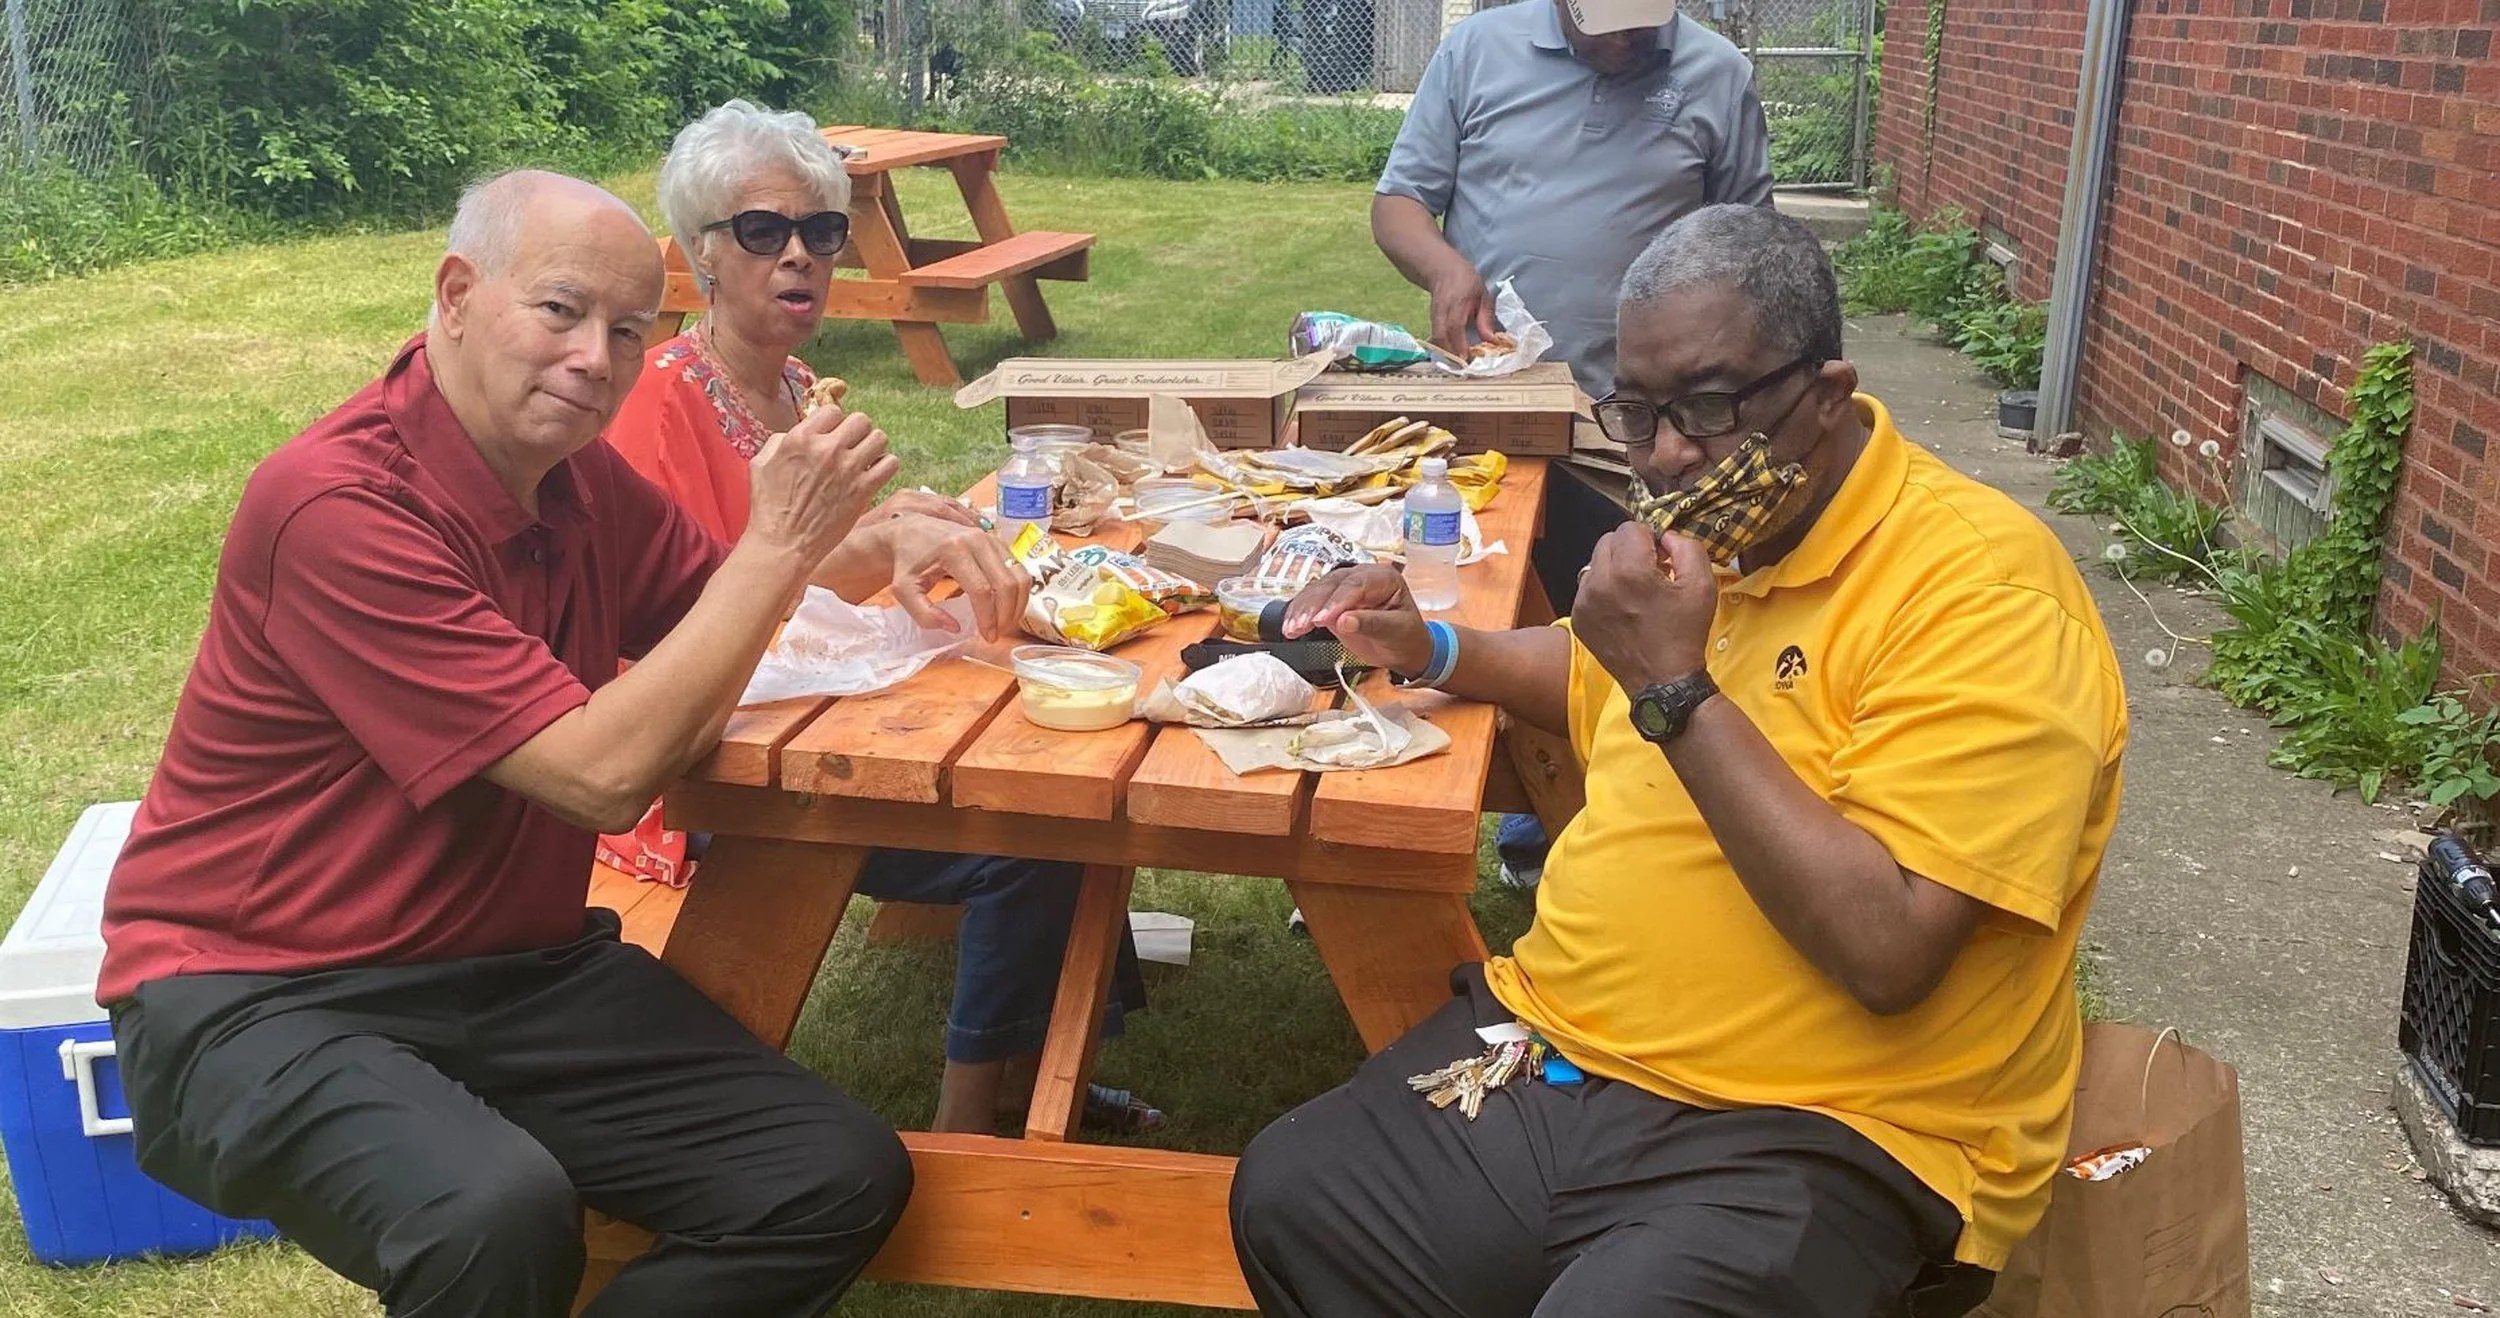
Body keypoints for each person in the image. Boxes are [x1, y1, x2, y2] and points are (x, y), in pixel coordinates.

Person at [1231, 204, 2127, 1317]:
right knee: (1299, 1195)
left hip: (1835, 1124)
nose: (1663, 455)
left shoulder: (1983, 593)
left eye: (1706, 407)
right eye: (1638, 409)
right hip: (1568, 1048)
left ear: (1826, 394)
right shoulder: (1730, 547)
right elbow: (1586, 672)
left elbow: (1891, 949)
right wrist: (1433, 644)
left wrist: (1674, 686)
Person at [96, 169, 951, 1317]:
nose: (595, 356)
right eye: (559, 309)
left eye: (628, 330)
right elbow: (598, 778)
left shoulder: (576, 480)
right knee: (489, 1211)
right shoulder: (337, 507)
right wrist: (777, 548)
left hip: (509, 970)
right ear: (455, 295)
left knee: (828, 1173)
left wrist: (865, 544)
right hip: (257, 992)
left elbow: (713, 607)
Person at [603, 99, 1160, 1138]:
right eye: (761, 233)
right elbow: (660, 630)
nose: (799, 257)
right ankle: (973, 1119)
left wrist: (908, 531)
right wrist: (872, 546)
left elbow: (827, 590)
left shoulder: (801, 387)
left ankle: (1049, 1069)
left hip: (807, 728)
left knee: (1071, 784)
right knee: (1032, 832)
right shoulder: (662, 402)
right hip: (712, 770)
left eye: (822, 231)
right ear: (700, 255)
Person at [1374, 0, 1775, 887]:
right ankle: (1397, 821)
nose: (1628, 45)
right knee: (1483, 603)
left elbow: (1750, 246)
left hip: (1652, 428)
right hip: (1495, 411)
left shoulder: (1715, 74)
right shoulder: (1478, 50)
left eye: (1643, 25)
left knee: (1635, 615)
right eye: (1607, 26)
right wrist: (1446, 266)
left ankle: (1609, 831)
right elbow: (1400, 201)